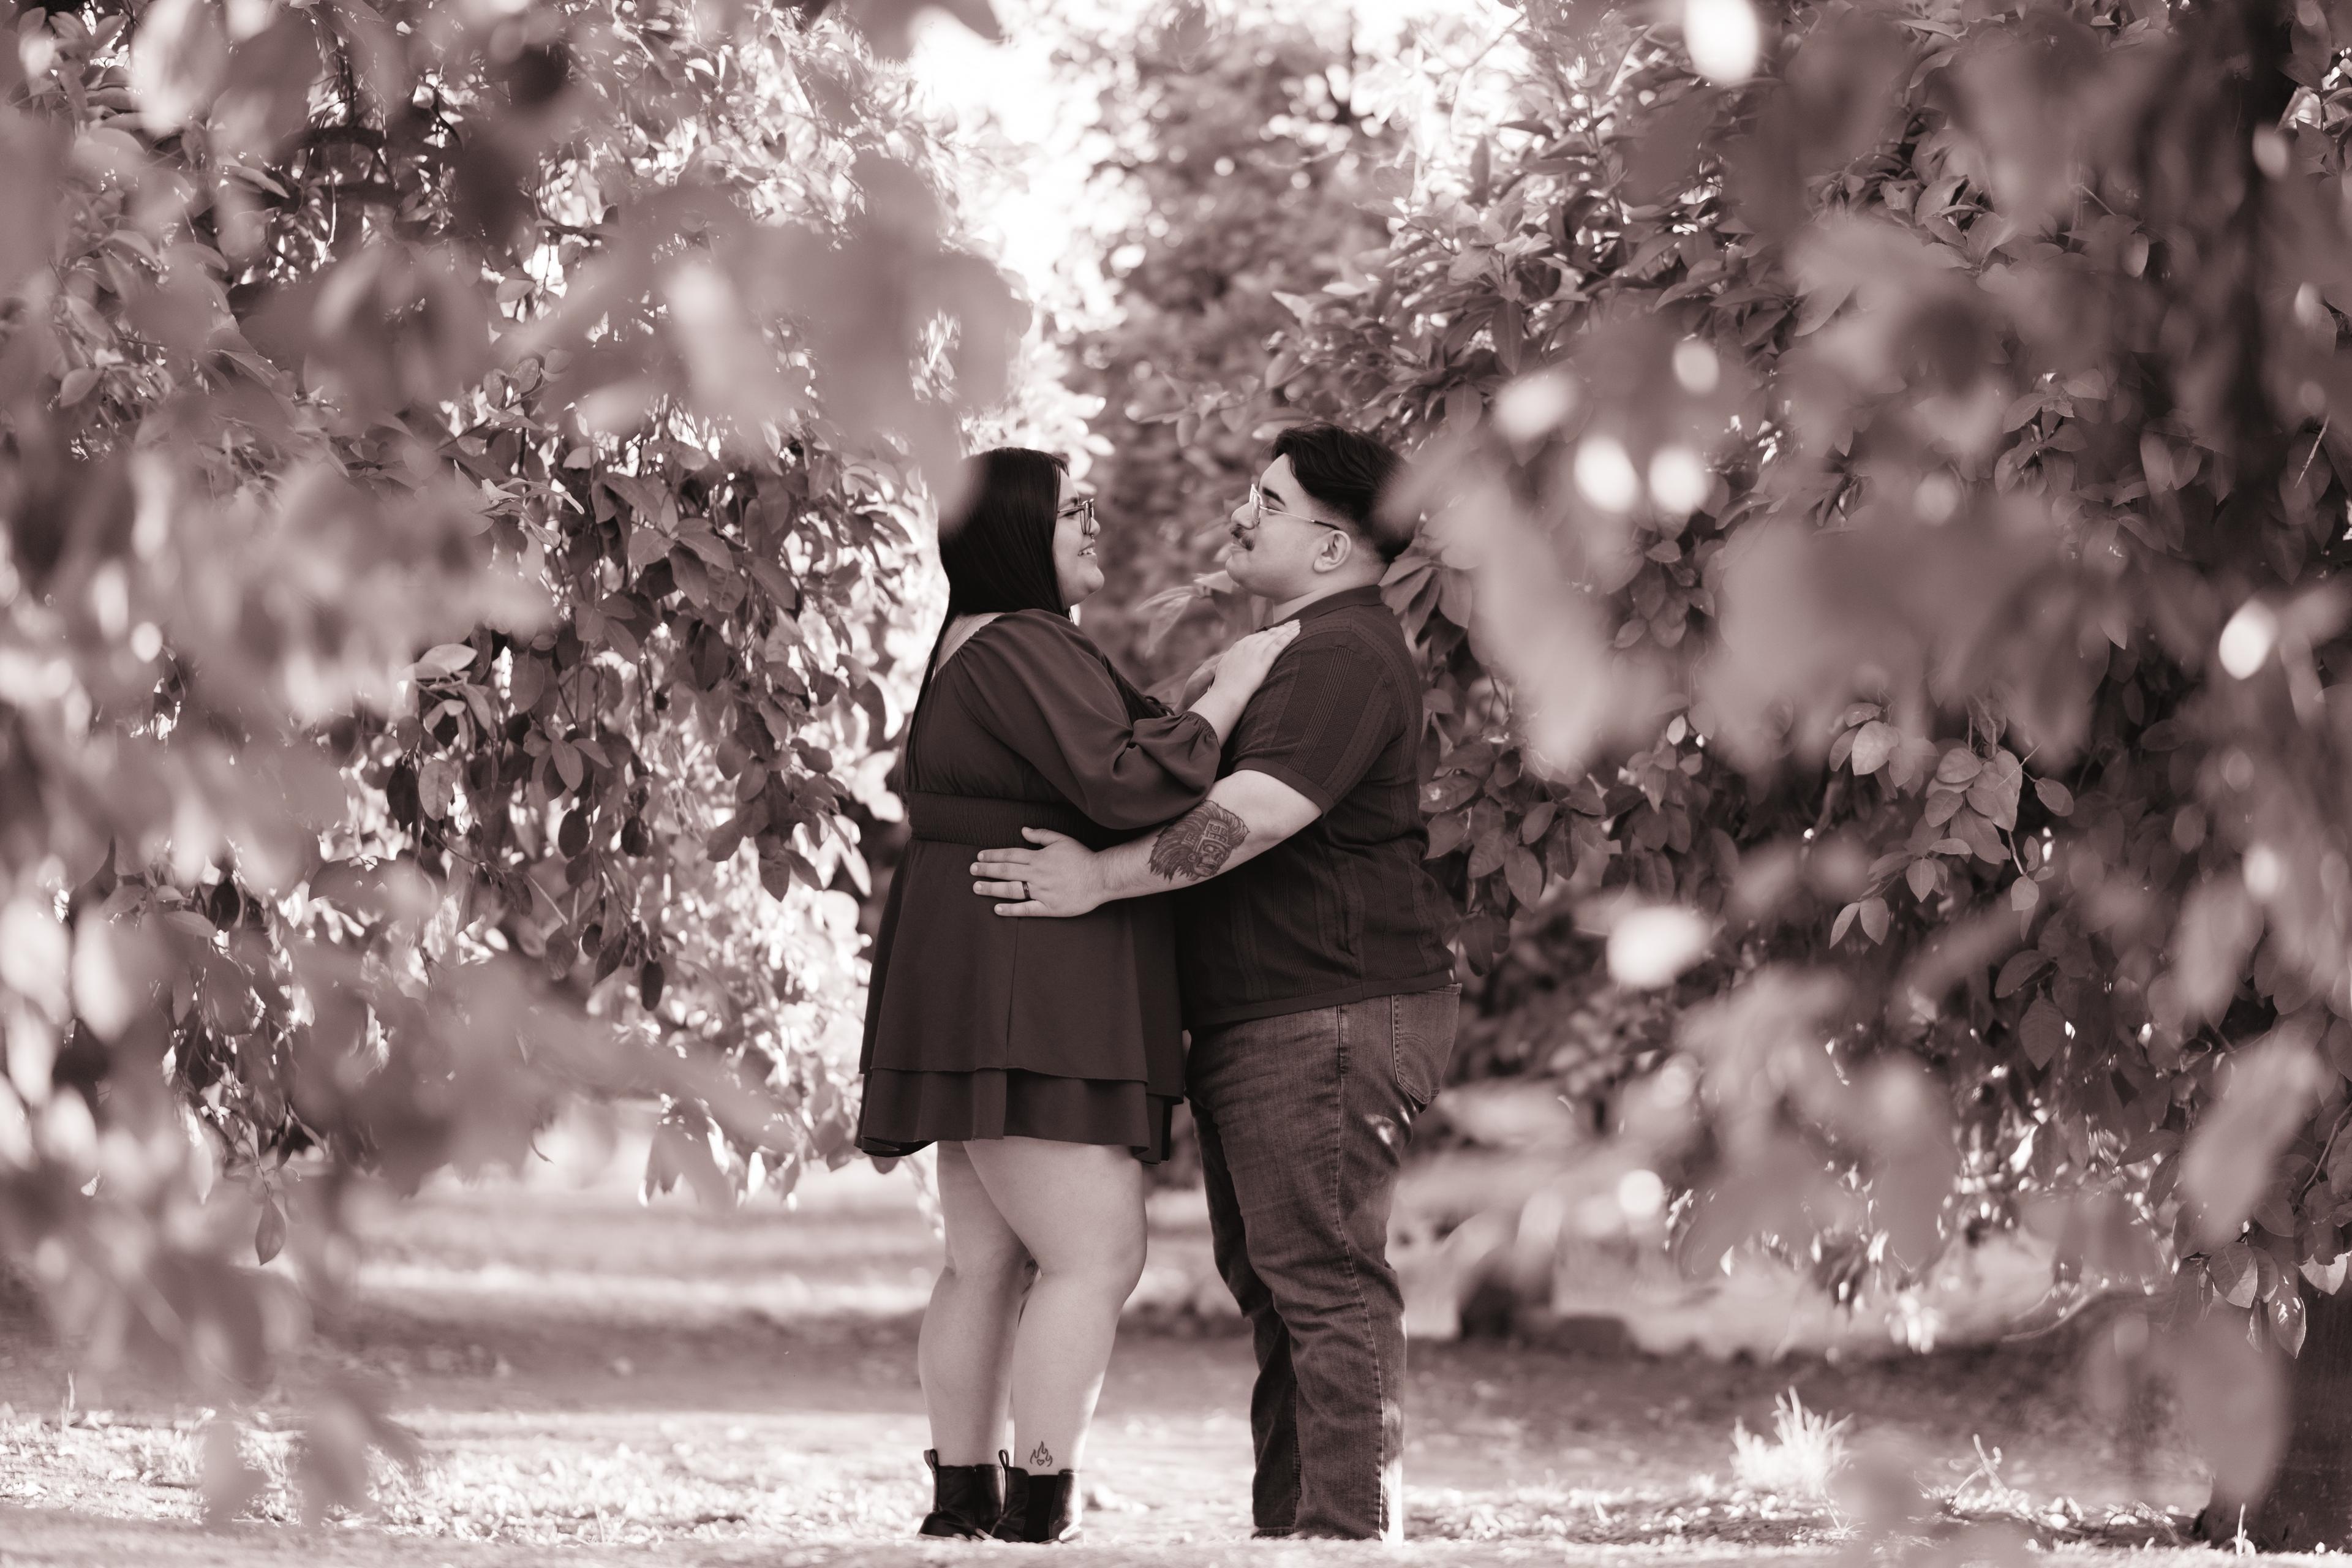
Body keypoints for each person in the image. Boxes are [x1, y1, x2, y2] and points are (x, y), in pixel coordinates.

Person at [968, 423, 1462, 1542]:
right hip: (1275, 1012)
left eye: (1267, 501)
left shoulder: (1342, 654)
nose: (1241, 513)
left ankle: (1346, 1536)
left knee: (1322, 1278)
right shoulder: (1289, 647)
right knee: (1281, 1286)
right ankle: (1298, 1532)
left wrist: (1096, 880)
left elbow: (1256, 816)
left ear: (1331, 547)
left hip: (1331, 1007)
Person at [856, 446, 1299, 1545]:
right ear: (1018, 533)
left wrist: (1190, 696)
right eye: (1074, 512)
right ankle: (1037, 1507)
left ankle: (966, 1502)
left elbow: (1098, 743)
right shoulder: (1024, 642)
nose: (1094, 525)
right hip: (1028, 974)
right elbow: (1124, 782)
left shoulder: (978, 642)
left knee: (986, 1260)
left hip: (976, 965)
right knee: (1095, 1255)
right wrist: (1235, 690)